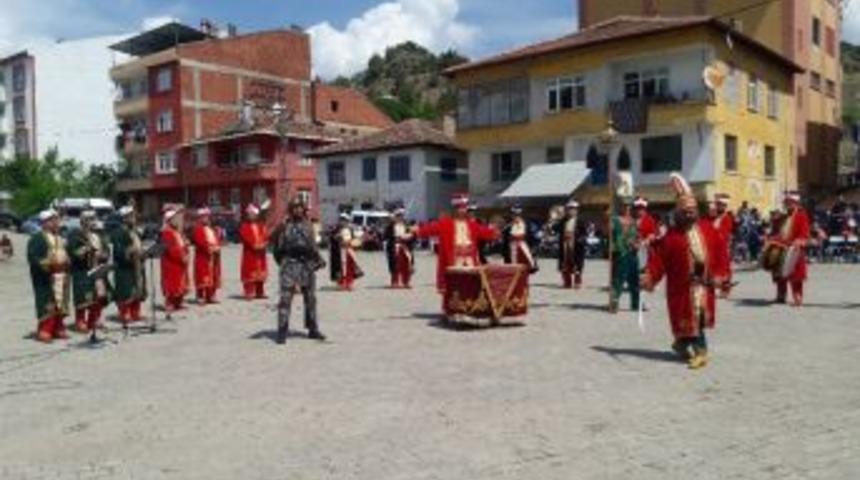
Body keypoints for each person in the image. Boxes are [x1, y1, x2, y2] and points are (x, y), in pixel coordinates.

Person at [641, 173, 730, 370]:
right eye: (685, 211)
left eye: (692, 210)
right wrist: (649, 277)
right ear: (678, 212)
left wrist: (722, 276)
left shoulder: (709, 229)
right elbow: (659, 261)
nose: (689, 213)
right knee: (688, 319)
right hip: (681, 287)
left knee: (698, 316)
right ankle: (691, 348)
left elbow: (721, 253)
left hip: (704, 284)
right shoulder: (671, 236)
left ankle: (693, 349)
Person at [415, 193, 499, 295]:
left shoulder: (472, 225)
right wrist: (418, 231)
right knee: (455, 283)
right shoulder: (446, 223)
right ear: (454, 210)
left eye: (464, 208)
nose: (462, 210)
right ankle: (454, 305)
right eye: (459, 208)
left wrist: (494, 231)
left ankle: (469, 303)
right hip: (454, 259)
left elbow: (484, 232)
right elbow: (431, 229)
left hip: (469, 259)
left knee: (470, 282)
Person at [271, 198, 326, 344]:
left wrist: (317, 260)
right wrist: (282, 263)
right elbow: (275, 248)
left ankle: (313, 328)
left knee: (310, 299)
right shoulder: (284, 226)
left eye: (300, 207)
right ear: (290, 210)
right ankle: (282, 330)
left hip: (306, 265)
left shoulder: (309, 226)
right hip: (289, 265)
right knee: (285, 299)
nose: (298, 210)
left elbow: (313, 245)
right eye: (294, 207)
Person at [27, 210, 71, 343]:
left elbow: (65, 253)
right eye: (53, 220)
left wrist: (67, 260)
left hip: (61, 275)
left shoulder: (59, 238)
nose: (56, 223)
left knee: (61, 303)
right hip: (46, 277)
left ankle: (58, 327)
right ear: (44, 222)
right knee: (47, 302)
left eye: (56, 220)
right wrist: (48, 264)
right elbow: (33, 257)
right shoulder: (37, 238)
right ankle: (45, 329)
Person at [68, 210, 111, 333]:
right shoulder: (75, 235)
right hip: (82, 270)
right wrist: (87, 249)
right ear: (82, 221)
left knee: (98, 296)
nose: (91, 222)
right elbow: (73, 252)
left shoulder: (97, 235)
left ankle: (94, 320)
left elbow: (106, 250)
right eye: (88, 219)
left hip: (97, 269)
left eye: (93, 219)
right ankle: (80, 321)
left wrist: (104, 254)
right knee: (83, 297)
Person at [773, 192, 811, 306]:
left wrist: (800, 240)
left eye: (790, 202)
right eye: (786, 202)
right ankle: (781, 295)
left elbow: (805, 232)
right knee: (779, 272)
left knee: (796, 274)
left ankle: (797, 296)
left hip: (794, 248)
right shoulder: (782, 216)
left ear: (796, 203)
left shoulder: (801, 215)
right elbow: (776, 231)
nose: (787, 204)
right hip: (781, 246)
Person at [112, 206, 146, 324]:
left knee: (138, 288)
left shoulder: (136, 231)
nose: (134, 218)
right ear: (124, 218)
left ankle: (135, 311)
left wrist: (142, 252)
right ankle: (124, 313)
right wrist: (129, 251)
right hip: (124, 267)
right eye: (131, 216)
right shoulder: (118, 232)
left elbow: (140, 244)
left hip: (137, 264)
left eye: (134, 215)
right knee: (125, 290)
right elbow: (117, 251)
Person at [610, 200, 640, 313]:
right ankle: (614, 302)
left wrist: (637, 243)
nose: (626, 208)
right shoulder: (614, 220)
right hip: (620, 252)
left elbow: (637, 236)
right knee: (618, 279)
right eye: (624, 206)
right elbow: (607, 233)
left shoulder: (633, 221)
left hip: (633, 252)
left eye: (628, 206)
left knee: (634, 278)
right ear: (620, 207)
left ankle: (635, 303)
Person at [551, 200, 587, 289]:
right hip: (565, 244)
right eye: (569, 209)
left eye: (573, 209)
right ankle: (567, 282)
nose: (571, 211)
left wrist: (581, 239)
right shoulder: (563, 221)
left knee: (577, 263)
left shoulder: (580, 221)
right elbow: (555, 229)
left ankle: (577, 282)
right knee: (565, 262)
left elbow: (584, 233)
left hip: (576, 244)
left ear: (576, 210)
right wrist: (553, 219)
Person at [161, 207, 190, 312]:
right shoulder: (166, 232)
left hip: (180, 262)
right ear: (169, 220)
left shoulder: (176, 231)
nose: (177, 220)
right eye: (175, 218)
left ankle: (178, 302)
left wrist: (186, 246)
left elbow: (181, 244)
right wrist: (181, 257)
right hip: (171, 262)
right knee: (171, 283)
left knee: (180, 283)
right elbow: (171, 248)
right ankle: (169, 303)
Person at [191, 207, 222, 304]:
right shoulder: (197, 229)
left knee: (213, 276)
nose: (206, 219)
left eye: (207, 217)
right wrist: (210, 248)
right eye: (203, 217)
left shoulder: (212, 229)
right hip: (203, 257)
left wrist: (217, 246)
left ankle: (211, 295)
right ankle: (200, 296)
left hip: (213, 257)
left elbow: (216, 240)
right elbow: (200, 242)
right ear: (199, 218)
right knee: (202, 276)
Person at [238, 203, 269, 300]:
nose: (251, 216)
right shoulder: (245, 226)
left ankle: (260, 291)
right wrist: (254, 245)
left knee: (260, 274)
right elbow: (245, 237)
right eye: (249, 214)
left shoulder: (261, 226)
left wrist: (264, 243)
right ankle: (249, 292)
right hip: (250, 253)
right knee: (250, 274)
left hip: (260, 253)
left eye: (253, 214)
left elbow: (265, 236)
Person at [329, 213, 362, 290]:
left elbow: (357, 239)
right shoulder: (336, 229)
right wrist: (337, 238)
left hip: (349, 250)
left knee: (349, 267)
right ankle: (341, 283)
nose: (343, 222)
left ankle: (349, 283)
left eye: (345, 220)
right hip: (339, 251)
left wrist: (352, 242)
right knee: (340, 268)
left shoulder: (351, 229)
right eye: (341, 220)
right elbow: (332, 239)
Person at [384, 207, 415, 288]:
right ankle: (395, 282)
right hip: (395, 246)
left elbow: (412, 235)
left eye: (401, 216)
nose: (400, 217)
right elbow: (385, 236)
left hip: (405, 246)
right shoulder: (391, 226)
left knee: (406, 264)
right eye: (398, 216)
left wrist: (409, 236)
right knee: (395, 265)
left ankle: (406, 282)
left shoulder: (406, 225)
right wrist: (395, 237)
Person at [502, 205, 539, 274]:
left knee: (528, 257)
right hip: (512, 244)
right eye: (514, 214)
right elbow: (504, 233)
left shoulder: (526, 222)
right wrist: (510, 224)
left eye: (517, 214)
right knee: (513, 260)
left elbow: (530, 234)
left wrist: (534, 245)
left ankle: (530, 268)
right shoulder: (509, 224)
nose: (516, 216)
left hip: (523, 242)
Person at [711, 194, 735, 297]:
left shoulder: (727, 218)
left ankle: (725, 290)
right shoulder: (713, 217)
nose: (719, 207)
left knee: (725, 269)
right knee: (714, 268)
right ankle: (716, 288)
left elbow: (725, 233)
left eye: (721, 205)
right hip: (713, 247)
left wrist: (715, 234)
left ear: (725, 206)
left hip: (722, 247)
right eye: (718, 204)